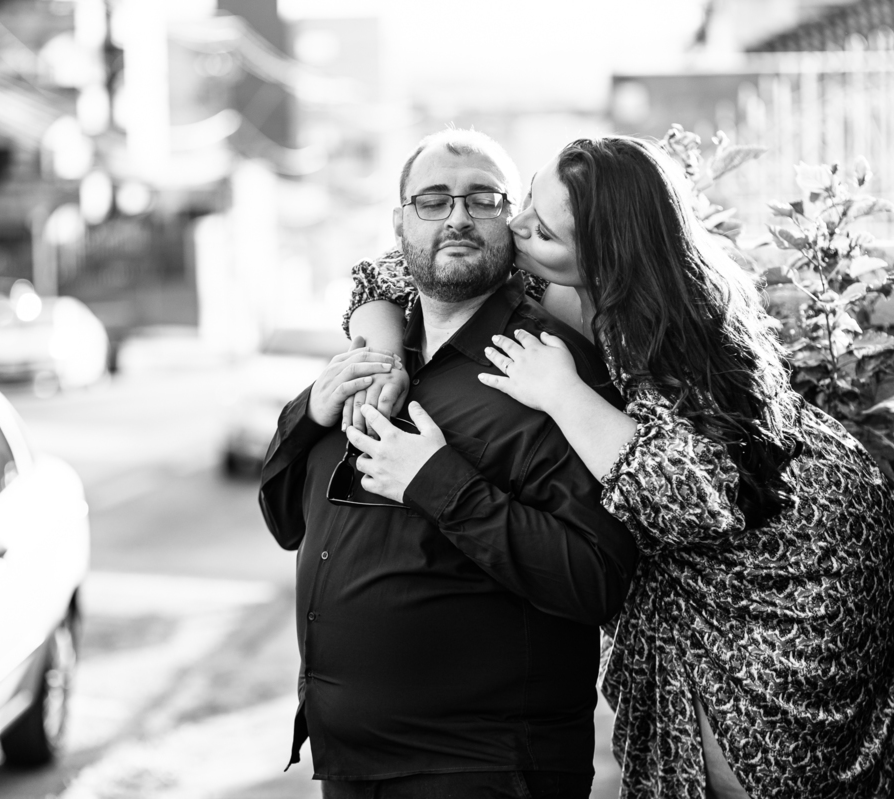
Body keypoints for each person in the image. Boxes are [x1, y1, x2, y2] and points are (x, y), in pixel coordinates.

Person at [344, 135, 894, 799]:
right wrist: (381, 358)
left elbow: (686, 496)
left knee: (759, 771)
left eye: (543, 230)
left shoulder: (664, 322)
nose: (517, 227)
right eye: (529, 202)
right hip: (761, 531)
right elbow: (394, 269)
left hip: (795, 567)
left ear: (602, 258)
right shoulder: (558, 272)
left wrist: (562, 392)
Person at [258, 128, 638, 799]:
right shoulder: (371, 355)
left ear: (513, 219)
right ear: (399, 223)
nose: (457, 216)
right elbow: (285, 518)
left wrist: (436, 482)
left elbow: (596, 580)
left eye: (482, 199)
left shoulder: (552, 369)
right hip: (349, 766)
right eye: (433, 200)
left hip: (486, 769)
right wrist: (309, 412)